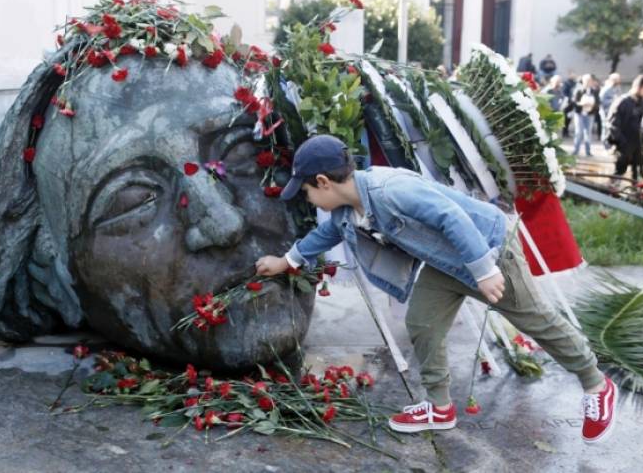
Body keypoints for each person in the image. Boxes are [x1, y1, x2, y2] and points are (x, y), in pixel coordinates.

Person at [255, 135, 617, 444]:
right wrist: (286, 261)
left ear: (323, 182)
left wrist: (484, 270)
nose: (308, 200)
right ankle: (440, 406)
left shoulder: (390, 189)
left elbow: (451, 217)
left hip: (488, 251)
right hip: (445, 263)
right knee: (423, 322)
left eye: (305, 192)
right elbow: (326, 233)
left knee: (537, 321)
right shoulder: (349, 207)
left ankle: (596, 385)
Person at [607, 75, 643, 181]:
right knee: (618, 174)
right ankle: (611, 195)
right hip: (623, 146)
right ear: (637, 87)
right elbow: (613, 125)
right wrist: (622, 142)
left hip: (638, 147)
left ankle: (637, 195)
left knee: (638, 175)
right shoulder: (622, 102)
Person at [572, 73, 600, 156]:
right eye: (586, 81)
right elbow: (574, 102)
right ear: (583, 81)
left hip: (590, 114)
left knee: (588, 133)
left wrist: (592, 105)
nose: (588, 82)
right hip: (579, 114)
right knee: (579, 132)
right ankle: (576, 150)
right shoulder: (578, 90)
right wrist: (581, 104)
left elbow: (598, 102)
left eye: (590, 81)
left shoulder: (595, 91)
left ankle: (588, 151)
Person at [599, 73, 622, 146]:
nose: (619, 81)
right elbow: (601, 101)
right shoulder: (606, 89)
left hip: (614, 113)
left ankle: (611, 145)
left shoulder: (618, 88)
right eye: (617, 79)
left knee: (612, 129)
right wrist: (613, 101)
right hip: (605, 113)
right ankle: (606, 146)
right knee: (605, 129)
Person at [561, 72, 578, 138]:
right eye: (572, 75)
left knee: (569, 119)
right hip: (567, 103)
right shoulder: (566, 83)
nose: (573, 76)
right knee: (565, 119)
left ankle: (567, 132)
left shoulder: (575, 83)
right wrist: (569, 99)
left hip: (572, 104)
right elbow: (564, 93)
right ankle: (564, 132)